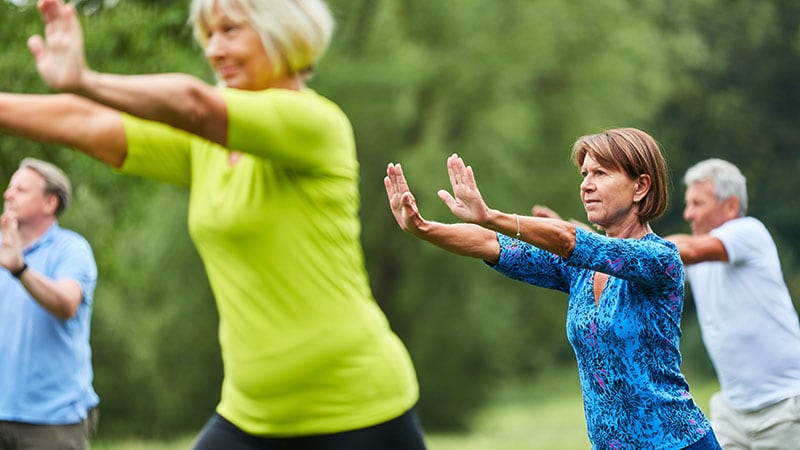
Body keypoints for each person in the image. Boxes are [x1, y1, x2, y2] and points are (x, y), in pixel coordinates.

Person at [0, 0, 426, 449]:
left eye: (231, 30)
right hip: (250, 412)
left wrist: (86, 79)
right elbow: (85, 121)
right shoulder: (206, 148)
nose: (215, 49)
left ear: (285, 33)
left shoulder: (317, 124)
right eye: (210, 35)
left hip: (357, 408)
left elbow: (193, 104)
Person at [385, 128, 722, 449]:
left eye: (601, 174)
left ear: (640, 187)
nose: (587, 185)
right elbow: (492, 244)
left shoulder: (659, 259)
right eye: (584, 174)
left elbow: (569, 239)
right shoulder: (580, 270)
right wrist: (423, 228)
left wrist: (490, 215)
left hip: (676, 444)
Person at [666, 158, 800, 449]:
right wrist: (581, 241)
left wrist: (607, 248)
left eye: (697, 203)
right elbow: (642, 264)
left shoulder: (749, 232)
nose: (688, 214)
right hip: (731, 411)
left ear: (730, 206)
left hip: (786, 406)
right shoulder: (695, 255)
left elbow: (683, 249)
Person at [0, 158, 99, 450]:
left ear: (49, 203)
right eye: (9, 187)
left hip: (52, 419)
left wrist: (20, 269)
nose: (8, 194)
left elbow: (66, 303)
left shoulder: (72, 249)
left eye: (21, 189)